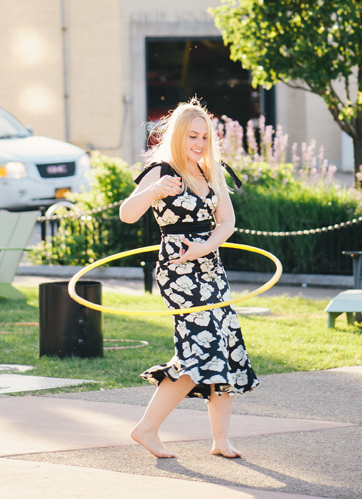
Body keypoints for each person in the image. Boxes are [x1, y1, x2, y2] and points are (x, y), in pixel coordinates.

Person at [119, 98, 258, 459]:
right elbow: (127, 214)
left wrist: (204, 247)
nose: (198, 143)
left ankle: (221, 440)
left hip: (210, 267)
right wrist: (153, 192)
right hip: (178, 271)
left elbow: (227, 222)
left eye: (204, 137)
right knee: (201, 349)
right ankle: (146, 428)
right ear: (178, 136)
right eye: (192, 136)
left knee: (223, 345)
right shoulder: (162, 170)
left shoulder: (212, 171)